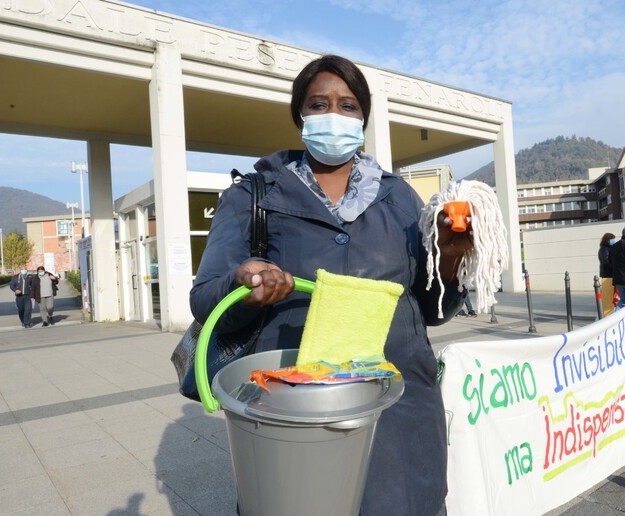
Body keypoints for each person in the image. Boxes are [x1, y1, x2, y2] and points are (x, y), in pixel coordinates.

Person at [190, 55, 472, 516]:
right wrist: (245, 285)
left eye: (348, 105)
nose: (333, 116)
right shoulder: (253, 196)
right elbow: (205, 298)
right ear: (300, 115)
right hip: (295, 417)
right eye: (318, 104)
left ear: (363, 118)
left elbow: (431, 309)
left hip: (399, 416)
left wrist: (452, 257)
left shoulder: (399, 197)